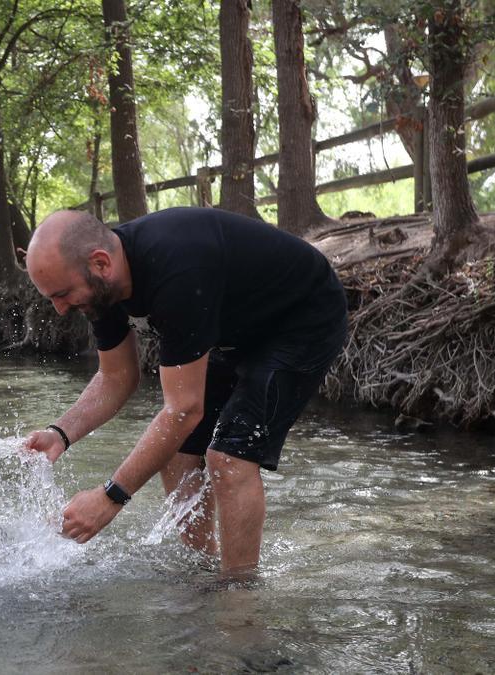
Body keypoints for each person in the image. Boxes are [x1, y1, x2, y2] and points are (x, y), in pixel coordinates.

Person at [23, 207, 347, 579]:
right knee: (177, 451)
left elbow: (184, 410)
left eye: (62, 294)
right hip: (235, 328)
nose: (60, 309)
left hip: (303, 319)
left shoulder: (176, 269)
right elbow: (117, 377)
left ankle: (237, 596)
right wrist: (60, 434)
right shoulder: (100, 287)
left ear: (100, 263)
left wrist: (110, 497)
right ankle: (201, 573)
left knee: (229, 457)